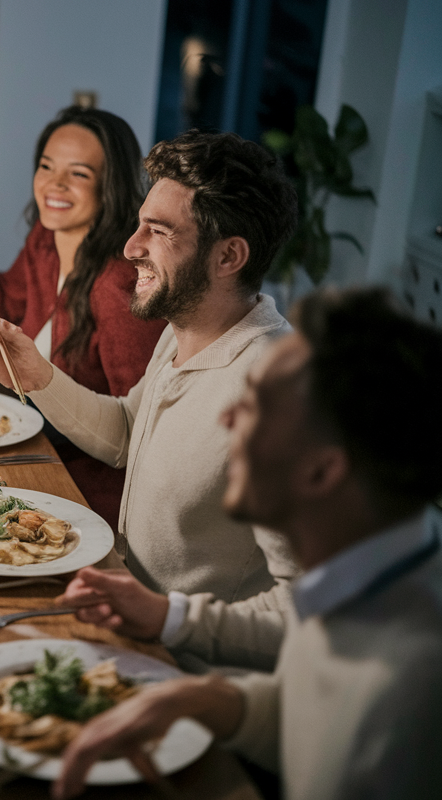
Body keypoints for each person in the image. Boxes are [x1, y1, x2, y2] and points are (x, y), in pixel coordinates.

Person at [52, 288, 442, 800]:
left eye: (254, 405)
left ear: (323, 470)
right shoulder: (355, 572)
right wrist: (196, 699)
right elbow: (302, 721)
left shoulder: (410, 691)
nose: (226, 420)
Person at [0, 130, 300, 671]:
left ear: (229, 257)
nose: (130, 247)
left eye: (160, 231)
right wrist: (36, 376)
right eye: (140, 222)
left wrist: (170, 618)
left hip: (192, 683)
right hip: (124, 633)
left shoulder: (277, 400)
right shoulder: (185, 328)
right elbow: (127, 433)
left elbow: (309, 612)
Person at [0, 106, 167, 531]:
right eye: (46, 166)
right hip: (27, 437)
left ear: (110, 187)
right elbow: (15, 298)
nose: (54, 184)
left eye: (78, 173)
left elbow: (133, 429)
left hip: (78, 482)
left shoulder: (119, 285)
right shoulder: (46, 237)